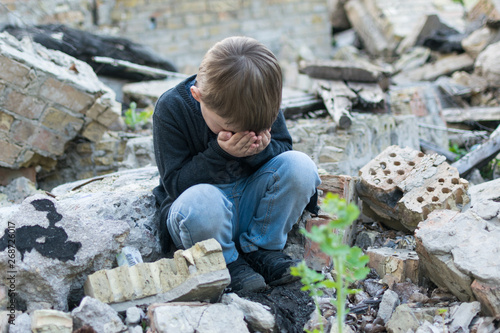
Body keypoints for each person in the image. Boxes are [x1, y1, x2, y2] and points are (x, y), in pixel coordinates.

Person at [153, 36, 321, 293]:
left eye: (256, 128)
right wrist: (221, 152)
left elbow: (284, 153)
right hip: (204, 220)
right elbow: (176, 185)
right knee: (201, 202)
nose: (244, 134)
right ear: (197, 96)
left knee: (300, 166)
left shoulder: (258, 99)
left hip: (252, 208)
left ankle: (262, 249)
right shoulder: (172, 109)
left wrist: (260, 150)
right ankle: (227, 262)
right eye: (231, 129)